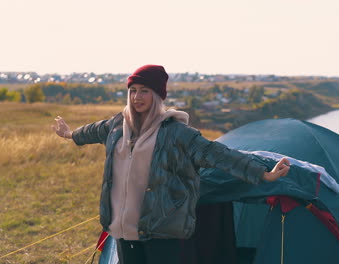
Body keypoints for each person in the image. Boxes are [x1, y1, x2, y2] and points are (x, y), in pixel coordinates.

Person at [52, 64, 290, 264]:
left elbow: (218, 155)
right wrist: (70, 134)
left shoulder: (177, 134)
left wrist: (262, 173)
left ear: (158, 95)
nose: (136, 97)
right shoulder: (116, 126)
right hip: (123, 229)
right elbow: (92, 131)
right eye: (133, 90)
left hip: (161, 229)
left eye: (144, 91)